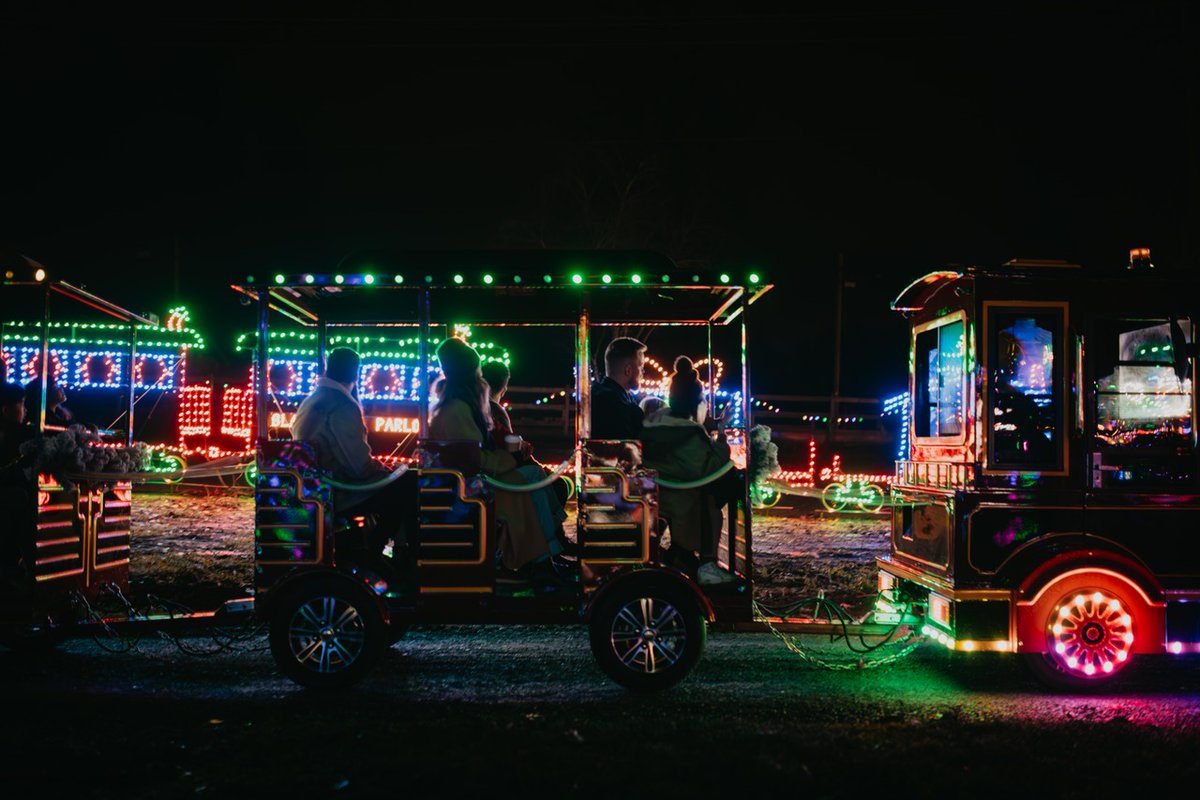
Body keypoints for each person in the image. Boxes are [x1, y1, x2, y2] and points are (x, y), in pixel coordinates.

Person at [430, 338, 572, 593]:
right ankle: (543, 558)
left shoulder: (455, 407)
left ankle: (545, 557)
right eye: (477, 373)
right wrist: (509, 457)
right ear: (470, 376)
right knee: (529, 477)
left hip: (468, 481)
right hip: (469, 488)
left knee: (531, 474)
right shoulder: (458, 410)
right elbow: (472, 459)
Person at [291, 347, 417, 578]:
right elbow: (357, 465)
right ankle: (381, 555)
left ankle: (379, 551)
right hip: (337, 489)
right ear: (355, 373)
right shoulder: (341, 404)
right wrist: (387, 472)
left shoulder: (314, 399)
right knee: (408, 485)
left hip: (315, 485)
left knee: (399, 483)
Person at [641, 357, 738, 586]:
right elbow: (709, 466)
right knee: (714, 499)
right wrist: (722, 435)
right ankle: (707, 564)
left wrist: (708, 426)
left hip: (654, 488)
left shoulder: (657, 421)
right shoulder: (689, 433)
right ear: (697, 403)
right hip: (677, 494)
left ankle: (682, 555)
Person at [482, 359, 575, 558]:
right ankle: (552, 545)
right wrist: (522, 448)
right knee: (551, 482)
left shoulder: (482, 407)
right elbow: (507, 446)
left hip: (495, 469)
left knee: (550, 479)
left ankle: (554, 544)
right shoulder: (493, 409)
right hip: (496, 474)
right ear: (504, 386)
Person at [1, 382, 36, 592]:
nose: (26, 410)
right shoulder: (14, 436)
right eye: (21, 404)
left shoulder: (19, 434)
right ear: (6, 410)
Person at [590, 336, 647, 440]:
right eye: (641, 366)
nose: (643, 372)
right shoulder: (618, 406)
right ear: (628, 370)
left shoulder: (596, 395)